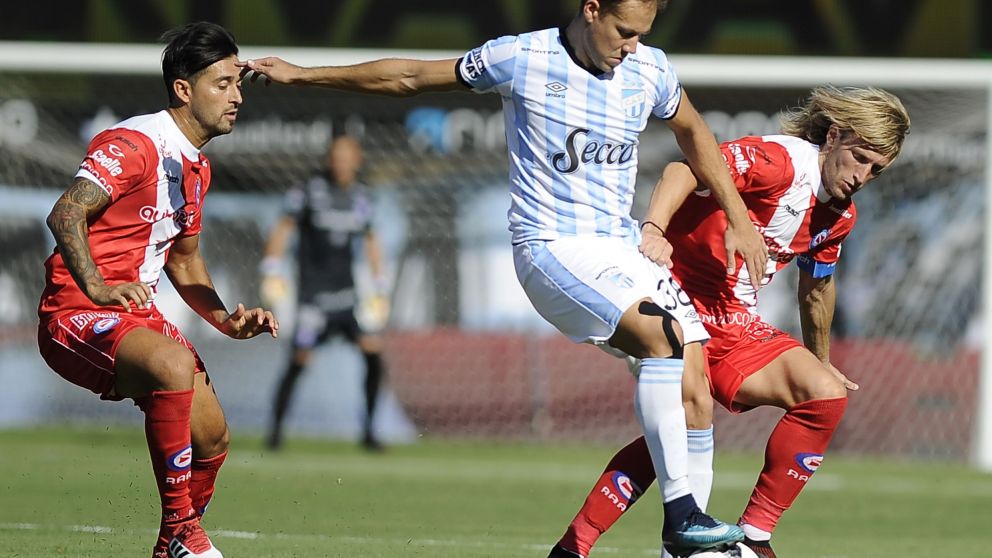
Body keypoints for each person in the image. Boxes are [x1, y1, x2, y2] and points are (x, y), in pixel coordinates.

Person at [242, 1, 769, 554]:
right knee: (661, 336)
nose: (632, 46)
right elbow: (409, 76)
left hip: (621, 250)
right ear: (592, 10)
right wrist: (303, 74)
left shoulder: (650, 68)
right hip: (552, 248)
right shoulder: (524, 57)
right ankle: (681, 515)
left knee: (695, 390)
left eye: (642, 34)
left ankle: (675, 548)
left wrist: (739, 217)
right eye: (624, 31)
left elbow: (693, 130)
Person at [546, 86, 911, 558]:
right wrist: (654, 230)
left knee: (823, 394)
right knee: (682, 425)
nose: (862, 176)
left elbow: (817, 288)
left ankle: (753, 538)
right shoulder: (778, 162)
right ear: (834, 136)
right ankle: (579, 547)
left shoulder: (839, 215)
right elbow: (683, 169)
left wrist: (822, 360)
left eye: (876, 170)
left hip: (735, 323)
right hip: (672, 300)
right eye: (859, 158)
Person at [36, 22, 278, 558]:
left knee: (212, 438)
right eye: (222, 84)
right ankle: (180, 533)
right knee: (172, 363)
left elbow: (185, 262)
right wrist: (98, 286)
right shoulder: (135, 144)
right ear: (183, 89)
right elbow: (66, 213)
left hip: (134, 315)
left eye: (238, 84)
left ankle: (173, 544)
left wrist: (227, 321)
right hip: (76, 311)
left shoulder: (197, 166)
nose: (237, 97)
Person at [260, 135, 390, 452]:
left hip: (347, 299)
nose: (341, 163)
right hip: (313, 300)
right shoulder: (308, 191)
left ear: (357, 161)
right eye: (336, 156)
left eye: (347, 157)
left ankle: (369, 432)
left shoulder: (361, 197)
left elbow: (371, 239)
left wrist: (380, 284)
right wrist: (271, 266)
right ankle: (275, 434)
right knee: (299, 359)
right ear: (328, 159)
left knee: (374, 354)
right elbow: (284, 227)